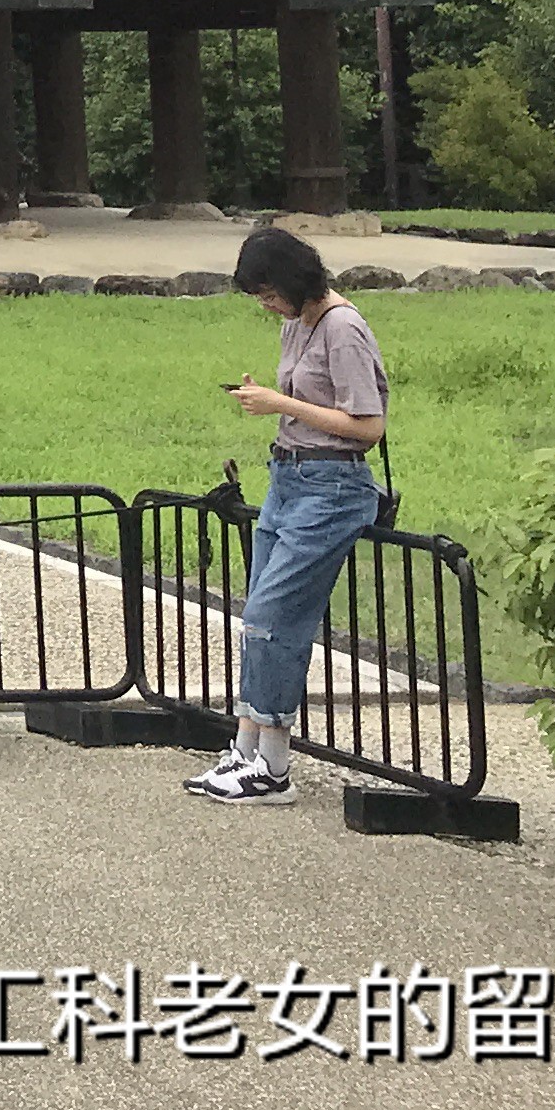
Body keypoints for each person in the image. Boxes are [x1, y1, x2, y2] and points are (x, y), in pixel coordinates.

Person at [184, 224, 387, 806]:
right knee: (259, 617)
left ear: (296, 280)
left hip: (331, 486)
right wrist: (269, 402)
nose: (267, 305)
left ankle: (273, 767)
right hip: (288, 476)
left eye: (270, 292)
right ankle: (247, 749)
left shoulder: (343, 328)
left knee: (274, 616)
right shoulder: (296, 325)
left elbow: (368, 427)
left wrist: (279, 404)